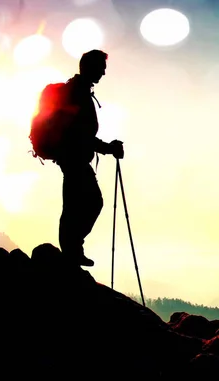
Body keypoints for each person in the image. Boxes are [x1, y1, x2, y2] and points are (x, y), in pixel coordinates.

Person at [56, 49, 124, 267]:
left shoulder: (80, 91)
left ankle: (72, 251)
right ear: (89, 66)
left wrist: (106, 147)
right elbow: (80, 134)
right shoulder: (77, 93)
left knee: (76, 205)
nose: (103, 73)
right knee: (90, 203)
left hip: (72, 158)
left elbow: (81, 134)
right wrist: (108, 148)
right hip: (73, 158)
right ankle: (72, 251)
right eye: (101, 68)